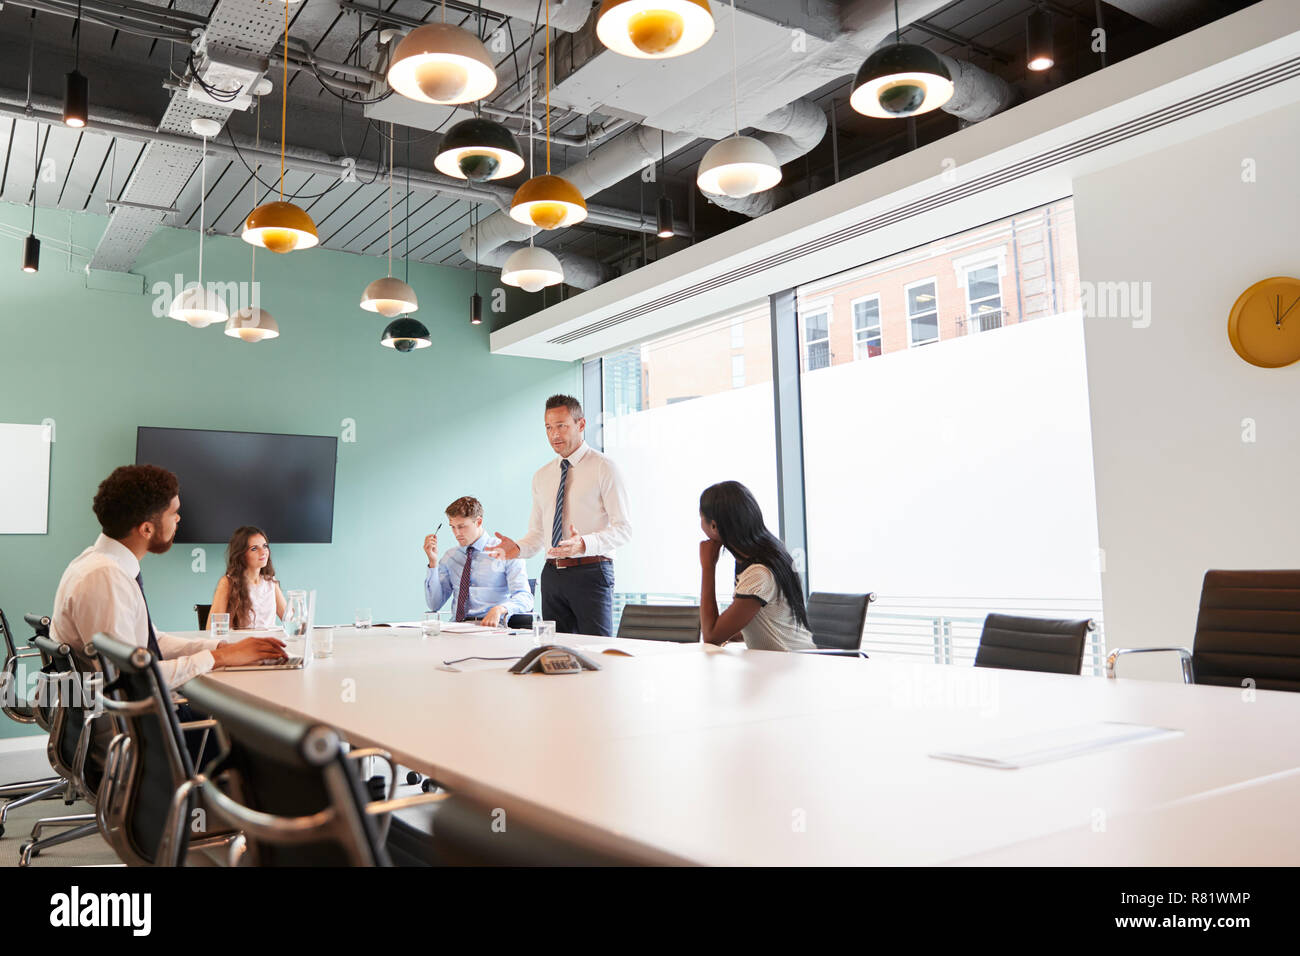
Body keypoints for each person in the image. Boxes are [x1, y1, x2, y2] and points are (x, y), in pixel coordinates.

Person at [51, 465, 288, 764]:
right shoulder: (105, 579)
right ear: (147, 528)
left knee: (240, 720)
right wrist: (218, 659)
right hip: (137, 738)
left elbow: (150, 643)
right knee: (262, 739)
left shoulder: (103, 566)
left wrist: (219, 648)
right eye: (173, 513)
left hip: (138, 722)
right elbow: (129, 678)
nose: (179, 519)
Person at [488, 394, 631, 637]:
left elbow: (623, 529)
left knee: (596, 653)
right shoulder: (542, 476)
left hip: (592, 572)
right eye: (549, 427)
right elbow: (537, 535)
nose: (554, 434)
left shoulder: (604, 467)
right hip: (552, 574)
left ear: (581, 425)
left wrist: (584, 543)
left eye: (562, 426)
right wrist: (517, 549)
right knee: (554, 652)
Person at [697, 480, 815, 651]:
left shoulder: (759, 572)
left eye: (701, 518)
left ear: (714, 526)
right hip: (785, 663)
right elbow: (756, 620)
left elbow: (711, 636)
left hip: (791, 667)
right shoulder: (767, 554)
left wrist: (708, 567)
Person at [423, 496, 533, 626]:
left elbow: (525, 598)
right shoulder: (450, 557)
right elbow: (434, 604)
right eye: (452, 527)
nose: (456, 533)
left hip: (492, 628)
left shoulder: (505, 552)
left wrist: (500, 609)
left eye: (462, 526)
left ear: (478, 522)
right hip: (456, 628)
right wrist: (433, 563)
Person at [209, 526, 287, 630]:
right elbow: (212, 629)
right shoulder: (228, 582)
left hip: (269, 644)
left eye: (265, 546)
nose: (263, 552)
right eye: (254, 549)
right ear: (241, 555)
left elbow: (290, 620)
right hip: (242, 644)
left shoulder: (271, 582)